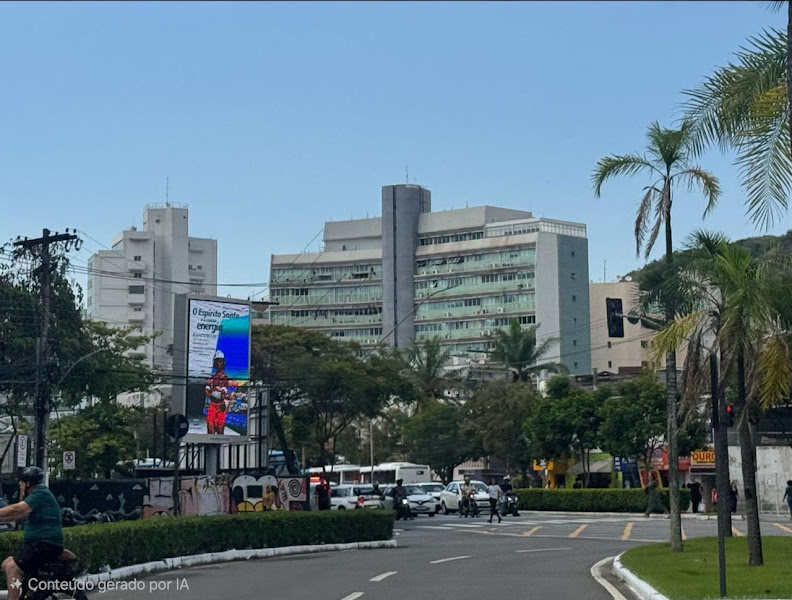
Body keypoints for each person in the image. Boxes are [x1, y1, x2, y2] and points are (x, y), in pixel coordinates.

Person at [0, 467, 70, 600]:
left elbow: (17, 510)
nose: (19, 486)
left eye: (20, 483)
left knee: (12, 568)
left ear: (27, 484)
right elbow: (15, 516)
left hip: (42, 545)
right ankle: (30, 593)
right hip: (41, 544)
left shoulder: (40, 494)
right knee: (6, 562)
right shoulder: (41, 494)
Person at [205, 350, 230, 435]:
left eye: (220, 362)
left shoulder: (225, 377)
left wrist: (216, 391)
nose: (219, 364)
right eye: (217, 361)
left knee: (220, 428)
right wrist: (212, 394)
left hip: (221, 407)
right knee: (210, 427)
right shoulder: (212, 378)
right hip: (212, 406)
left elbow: (223, 394)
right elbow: (207, 390)